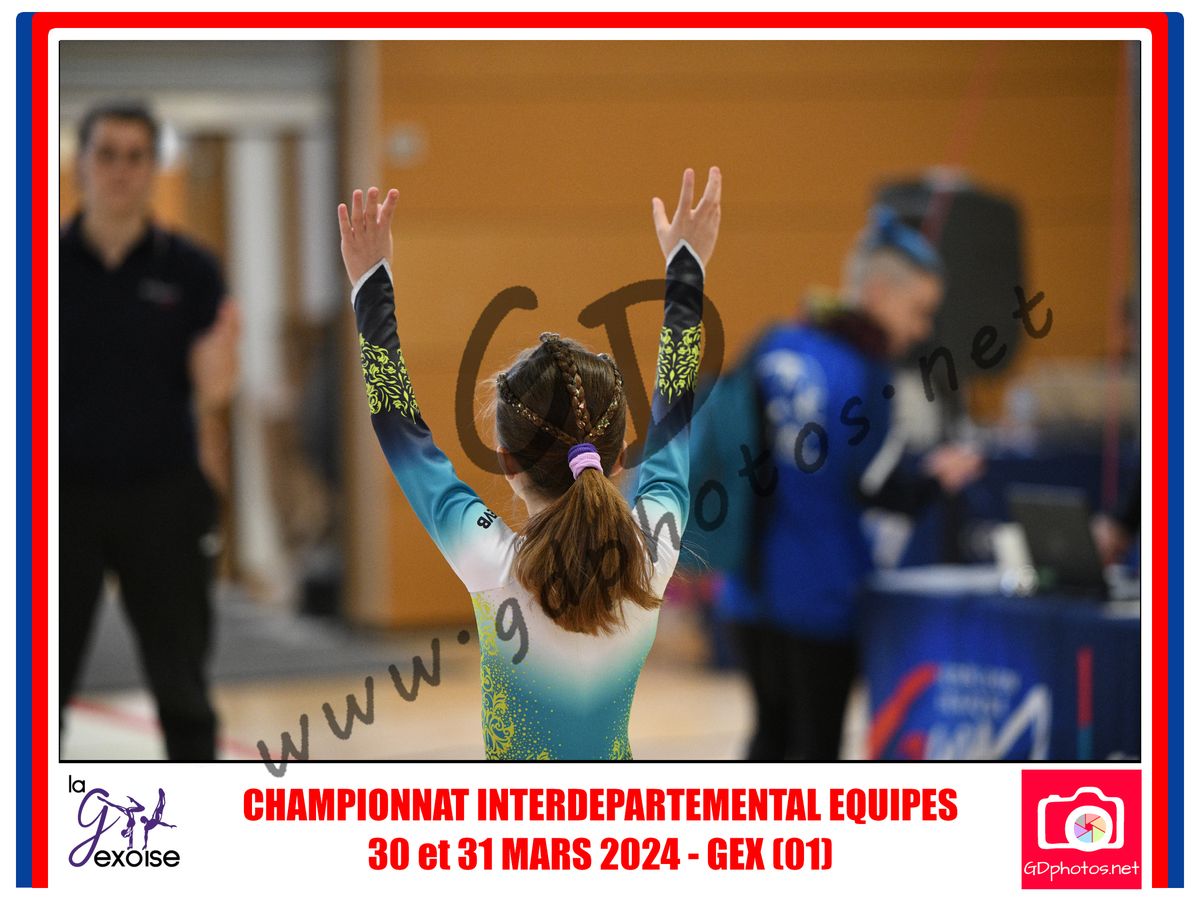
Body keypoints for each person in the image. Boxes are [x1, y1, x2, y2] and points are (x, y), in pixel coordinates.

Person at [338, 167, 720, 759]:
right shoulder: (653, 552)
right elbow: (677, 410)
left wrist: (370, 282)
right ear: (618, 457)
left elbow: (400, 432)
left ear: (507, 462)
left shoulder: (494, 565)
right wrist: (686, 269)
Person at [716, 206, 982, 761]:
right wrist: (937, 477)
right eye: (919, 311)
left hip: (748, 591)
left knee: (768, 741)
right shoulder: (864, 373)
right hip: (820, 596)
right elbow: (880, 489)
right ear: (879, 292)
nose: (922, 329)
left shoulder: (773, 342)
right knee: (814, 755)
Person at [60, 102, 240, 760]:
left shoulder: (190, 269)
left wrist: (224, 363)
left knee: (183, 687)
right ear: (80, 163)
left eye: (137, 156)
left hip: (163, 495)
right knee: (32, 689)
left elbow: (213, 392)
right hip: (58, 500)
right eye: (107, 154)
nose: (122, 170)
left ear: (153, 167)